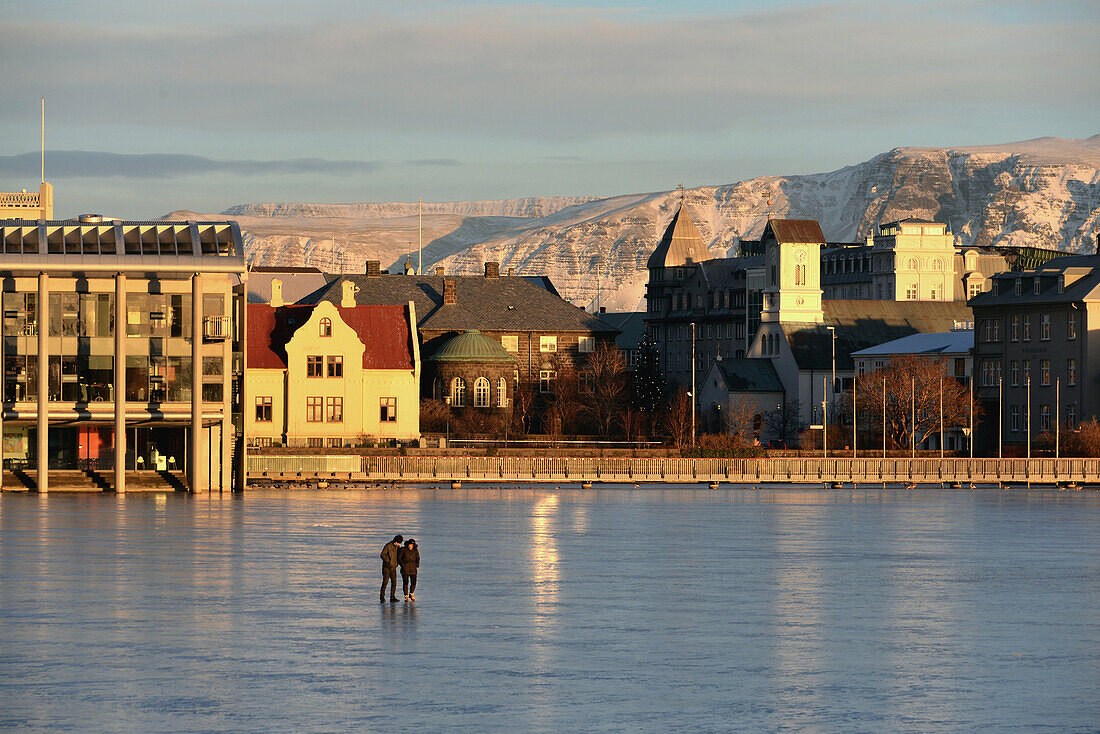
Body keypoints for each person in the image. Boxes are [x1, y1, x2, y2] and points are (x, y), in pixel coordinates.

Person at [380, 534, 403, 602]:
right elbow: (382, 554)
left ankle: (392, 597)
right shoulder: (388, 546)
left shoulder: (397, 547)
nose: (399, 544)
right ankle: (382, 596)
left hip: (393, 568)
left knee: (394, 582)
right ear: (395, 541)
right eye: (398, 543)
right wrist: (388, 561)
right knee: (385, 582)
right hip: (386, 567)